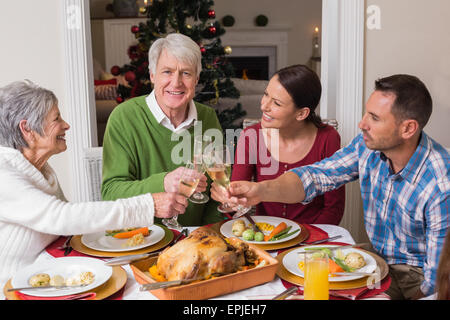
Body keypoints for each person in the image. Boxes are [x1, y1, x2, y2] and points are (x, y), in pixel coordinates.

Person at [228, 74, 450, 299]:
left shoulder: (441, 185)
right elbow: (315, 176)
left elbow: (437, 281)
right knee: (296, 281)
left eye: (374, 118)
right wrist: (261, 190)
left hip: (418, 280)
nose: (362, 124)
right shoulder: (367, 148)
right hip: (379, 262)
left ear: (408, 129)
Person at [0, 80, 189, 291]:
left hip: (50, 277)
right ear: (27, 129)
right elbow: (61, 217)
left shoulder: (41, 169)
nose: (66, 125)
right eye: (56, 118)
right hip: (16, 288)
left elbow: (67, 228)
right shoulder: (3, 173)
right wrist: (148, 206)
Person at [101, 33, 224, 226]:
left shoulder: (208, 118)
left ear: (196, 79)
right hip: (140, 238)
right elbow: (111, 194)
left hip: (195, 241)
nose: (176, 83)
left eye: (186, 73)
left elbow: (217, 192)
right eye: (167, 72)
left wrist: (210, 234)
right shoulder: (124, 117)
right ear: (152, 75)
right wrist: (163, 183)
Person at [210, 64, 345, 224]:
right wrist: (229, 199)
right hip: (264, 235)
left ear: (301, 113)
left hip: (312, 240)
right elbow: (237, 205)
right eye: (266, 94)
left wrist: (312, 242)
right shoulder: (251, 136)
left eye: (277, 103)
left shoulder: (328, 138)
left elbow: (333, 208)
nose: (264, 106)